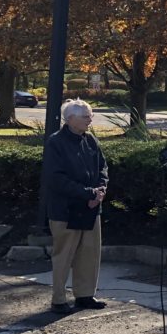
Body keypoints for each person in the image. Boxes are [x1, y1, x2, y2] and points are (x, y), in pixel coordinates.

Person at [46, 99, 109, 314]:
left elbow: (103, 168)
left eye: (90, 115)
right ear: (70, 119)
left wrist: (100, 190)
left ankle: (84, 295)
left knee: (89, 254)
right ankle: (59, 299)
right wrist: (87, 194)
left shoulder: (90, 140)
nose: (90, 120)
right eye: (85, 116)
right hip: (66, 209)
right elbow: (56, 178)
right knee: (64, 256)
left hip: (91, 208)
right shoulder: (56, 142)